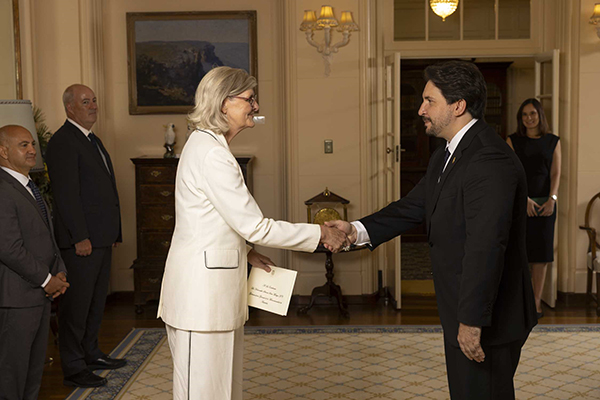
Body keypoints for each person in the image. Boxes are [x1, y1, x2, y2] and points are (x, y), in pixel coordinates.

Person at [327, 61, 538, 400]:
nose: (421, 109)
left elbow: (486, 246)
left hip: (487, 317)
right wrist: (355, 230)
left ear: (458, 106)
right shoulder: (448, 153)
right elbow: (413, 206)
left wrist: (470, 322)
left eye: (429, 101)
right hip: (464, 309)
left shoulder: (488, 159)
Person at [157, 66, 348, 400]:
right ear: (223, 104)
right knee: (205, 394)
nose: (255, 106)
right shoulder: (213, 154)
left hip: (208, 293)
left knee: (218, 390)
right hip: (202, 297)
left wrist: (246, 252)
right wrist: (319, 233)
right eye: (249, 98)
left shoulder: (206, 146)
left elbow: (210, 221)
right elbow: (255, 225)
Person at [45, 84, 125, 388]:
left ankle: (90, 353)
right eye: (85, 101)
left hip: (101, 238)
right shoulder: (63, 142)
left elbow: (104, 192)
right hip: (82, 241)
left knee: (94, 302)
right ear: (69, 108)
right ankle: (74, 366)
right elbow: (67, 197)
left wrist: (113, 231)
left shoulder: (91, 140)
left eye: (94, 100)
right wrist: (80, 236)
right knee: (75, 306)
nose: (93, 105)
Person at [0, 125, 69, 400]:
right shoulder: (3, 189)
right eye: (23, 145)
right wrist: (47, 280)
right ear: (3, 151)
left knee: (32, 372)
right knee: (11, 375)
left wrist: (59, 269)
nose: (32, 150)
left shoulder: (28, 185)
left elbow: (46, 237)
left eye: (32, 144)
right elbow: (8, 248)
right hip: (16, 299)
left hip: (37, 296)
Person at [507, 98, 561, 319]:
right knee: (520, 254)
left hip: (546, 206)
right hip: (521, 205)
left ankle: (536, 303)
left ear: (540, 115)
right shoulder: (512, 141)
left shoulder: (553, 141)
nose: (529, 118)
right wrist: (524, 199)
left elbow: (556, 173)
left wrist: (552, 199)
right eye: (524, 115)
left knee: (541, 256)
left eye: (533, 114)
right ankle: (519, 304)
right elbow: (511, 173)